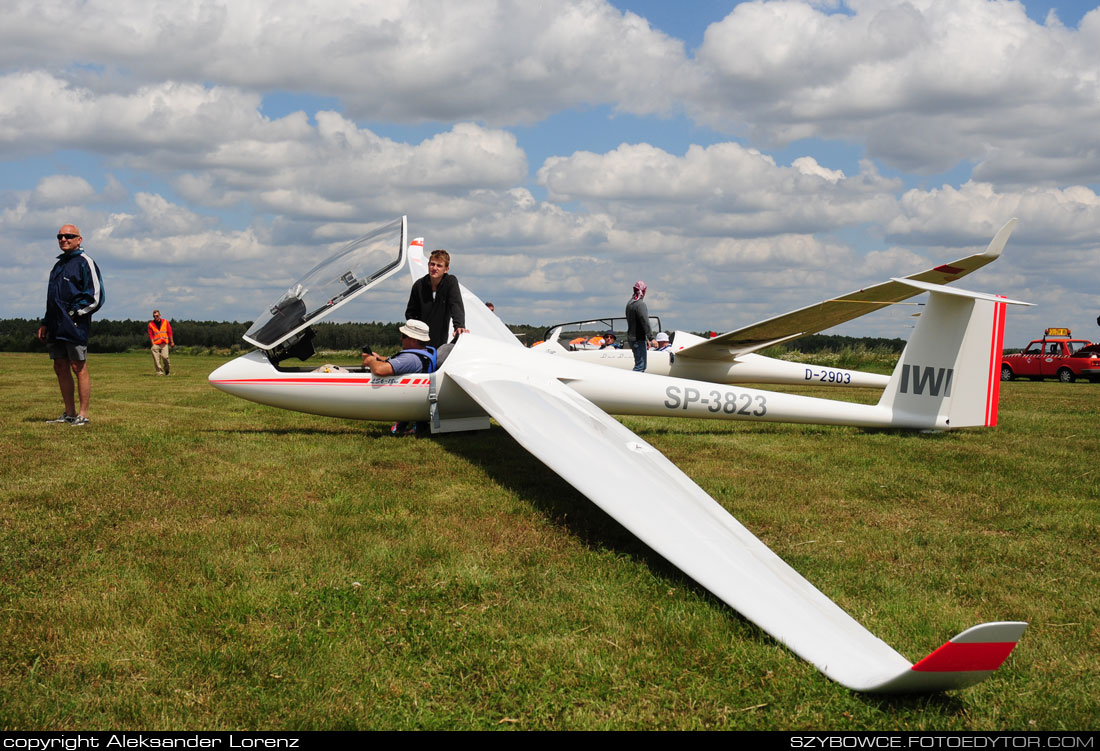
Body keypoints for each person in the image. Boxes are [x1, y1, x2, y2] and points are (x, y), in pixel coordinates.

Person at [37, 224, 105, 426]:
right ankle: (69, 413)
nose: (63, 239)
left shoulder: (86, 262)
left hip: (74, 325)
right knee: (59, 366)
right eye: (60, 236)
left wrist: (73, 313)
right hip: (55, 326)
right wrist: (45, 322)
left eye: (68, 236)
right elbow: (52, 299)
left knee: (78, 366)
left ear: (79, 240)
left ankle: (83, 415)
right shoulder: (58, 266)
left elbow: (96, 297)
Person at [405, 249, 468, 349]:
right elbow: (410, 313)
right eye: (432, 264)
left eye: (439, 265)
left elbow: (455, 304)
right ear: (428, 265)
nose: (434, 268)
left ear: (446, 269)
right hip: (419, 340)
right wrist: (415, 334)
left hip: (440, 340)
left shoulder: (450, 282)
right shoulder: (419, 285)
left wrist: (459, 326)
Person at [361, 319, 437, 377]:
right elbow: (397, 361)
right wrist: (378, 358)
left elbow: (379, 370)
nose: (401, 339)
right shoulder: (424, 353)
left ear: (413, 341)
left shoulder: (411, 359)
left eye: (403, 336)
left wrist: (371, 360)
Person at [625, 280, 654, 372]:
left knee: (639, 364)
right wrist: (651, 337)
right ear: (643, 291)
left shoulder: (630, 303)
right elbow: (644, 321)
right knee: (641, 366)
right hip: (638, 339)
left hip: (631, 338)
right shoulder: (640, 304)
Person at [148, 309, 175, 376]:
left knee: (165, 357)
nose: (155, 317)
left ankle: (167, 370)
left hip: (164, 343)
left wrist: (172, 342)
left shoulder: (165, 322)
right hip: (156, 344)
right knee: (156, 359)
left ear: (160, 315)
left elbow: (170, 332)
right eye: (154, 316)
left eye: (157, 316)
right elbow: (151, 335)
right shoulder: (150, 324)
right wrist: (153, 344)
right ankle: (159, 372)